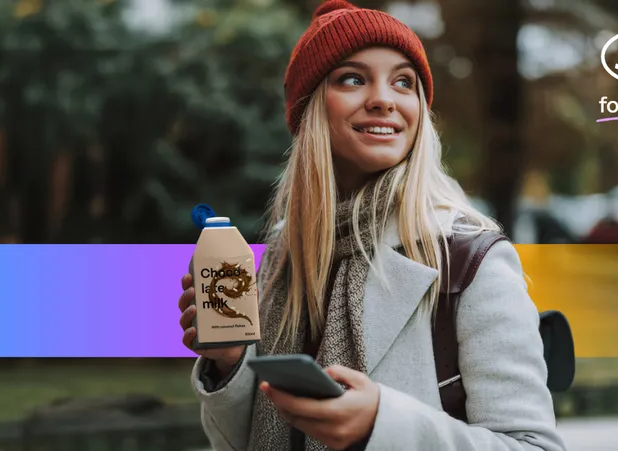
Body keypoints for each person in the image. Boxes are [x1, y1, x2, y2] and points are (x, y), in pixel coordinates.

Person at [177, 1, 568, 450]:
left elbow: (534, 446)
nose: (384, 98)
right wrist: (230, 363)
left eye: (404, 81)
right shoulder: (285, 252)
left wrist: (382, 425)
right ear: (309, 108)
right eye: (353, 78)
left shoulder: (468, 259)